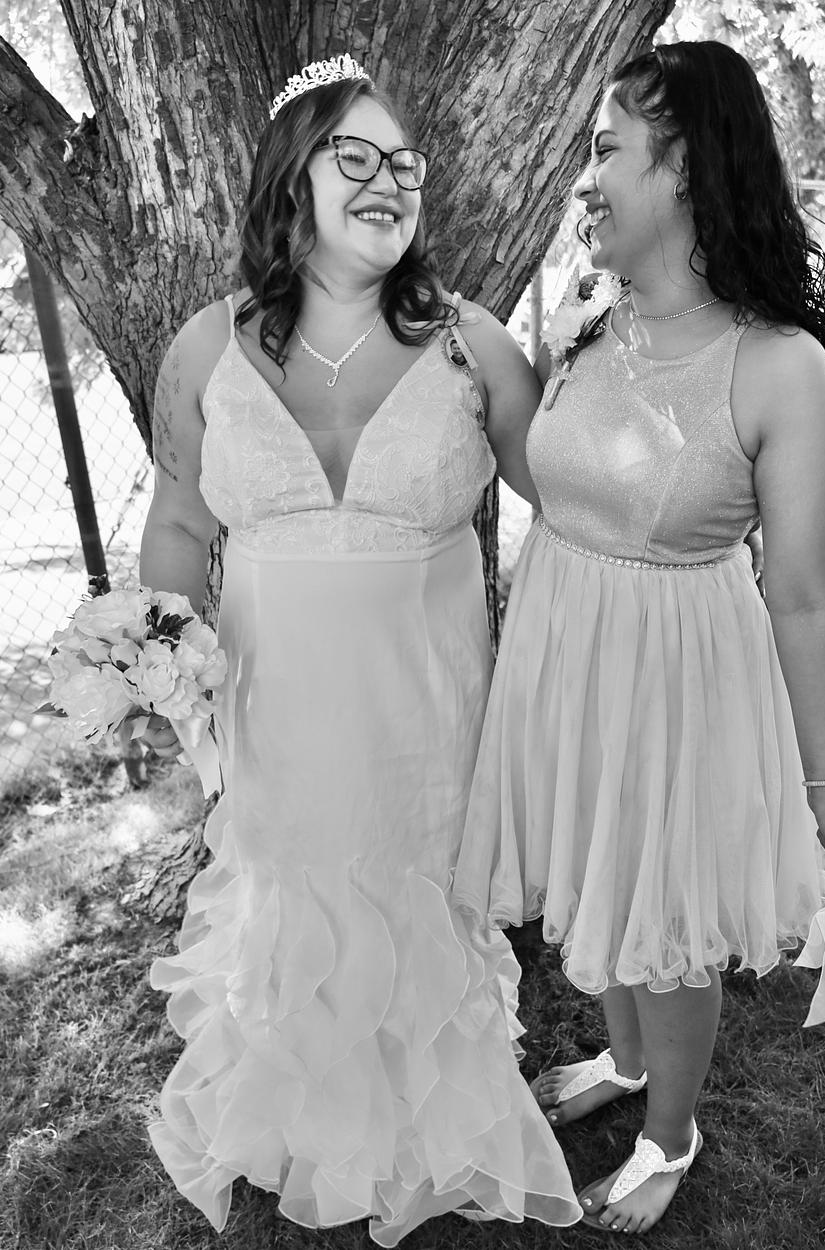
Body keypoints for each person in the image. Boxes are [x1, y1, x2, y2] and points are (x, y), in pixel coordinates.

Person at [138, 53, 581, 1244]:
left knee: (412, 892)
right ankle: (295, 1119)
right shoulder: (204, 348)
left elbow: (572, 499)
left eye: (405, 164)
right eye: (358, 157)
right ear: (293, 179)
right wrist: (162, 666)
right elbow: (179, 524)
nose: (391, 180)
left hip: (422, 710)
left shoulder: (471, 345)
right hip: (275, 707)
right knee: (293, 902)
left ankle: (429, 1123)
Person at [452, 40, 825, 1236]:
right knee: (599, 872)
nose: (584, 180)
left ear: (685, 164)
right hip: (566, 652)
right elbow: (559, 480)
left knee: (664, 918)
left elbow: (802, 593)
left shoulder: (778, 369)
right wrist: (485, 359)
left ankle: (668, 1131)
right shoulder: (595, 322)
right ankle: (626, 1061)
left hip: (674, 683)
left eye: (606, 151)